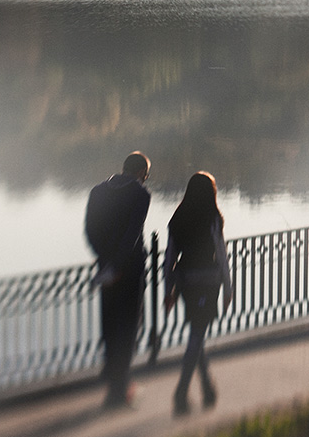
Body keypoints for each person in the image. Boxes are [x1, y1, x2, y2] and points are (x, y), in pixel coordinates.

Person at [84, 151, 151, 408]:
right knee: (130, 326)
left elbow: (90, 230)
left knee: (110, 325)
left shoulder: (97, 191)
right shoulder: (140, 194)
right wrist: (120, 264)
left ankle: (115, 381)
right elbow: (133, 234)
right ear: (141, 174)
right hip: (129, 269)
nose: (145, 180)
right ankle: (118, 393)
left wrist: (106, 261)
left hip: (105, 270)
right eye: (146, 175)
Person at [163, 171, 232, 416]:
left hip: (185, 283)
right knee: (197, 332)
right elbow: (221, 255)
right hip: (207, 282)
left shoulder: (177, 218)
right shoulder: (213, 218)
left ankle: (206, 386)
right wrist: (228, 287)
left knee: (196, 330)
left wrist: (168, 290)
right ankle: (181, 392)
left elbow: (169, 258)